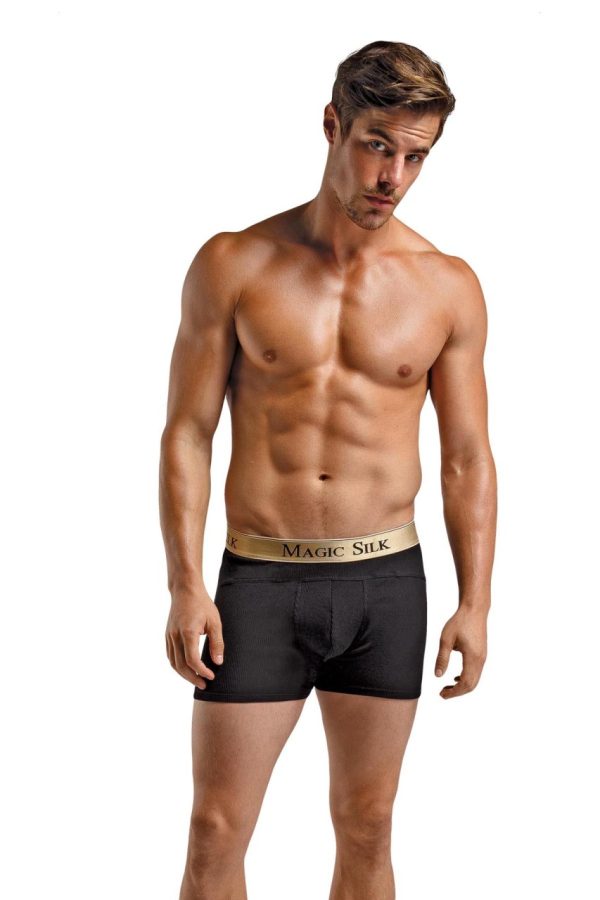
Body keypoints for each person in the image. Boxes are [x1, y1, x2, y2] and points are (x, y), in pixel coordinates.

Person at [159, 38, 497, 900]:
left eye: (415, 157)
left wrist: (476, 602)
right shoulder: (234, 264)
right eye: (377, 146)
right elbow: (188, 432)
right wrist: (186, 584)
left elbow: (466, 458)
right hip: (259, 584)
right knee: (214, 835)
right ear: (331, 126)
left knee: (368, 827)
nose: (393, 177)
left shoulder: (447, 285)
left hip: (386, 585)